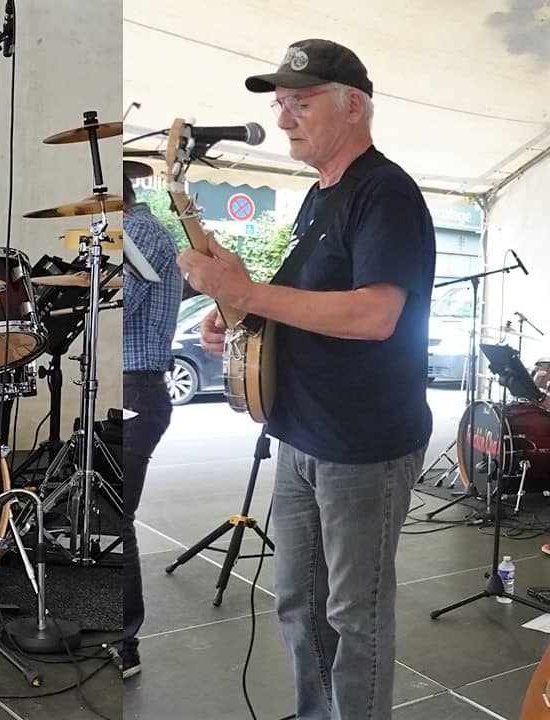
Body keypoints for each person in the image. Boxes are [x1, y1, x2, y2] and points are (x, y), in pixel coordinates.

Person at [178, 39, 435, 719]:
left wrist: (251, 294)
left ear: (354, 107)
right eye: (280, 104)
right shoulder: (317, 199)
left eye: (301, 102)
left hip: (363, 444)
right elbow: (301, 307)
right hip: (300, 434)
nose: (285, 118)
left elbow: (377, 315)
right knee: (298, 601)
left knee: (356, 612)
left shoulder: (386, 192)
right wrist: (236, 320)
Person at [112, 166, 182, 679]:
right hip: (133, 385)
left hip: (137, 386)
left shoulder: (138, 232)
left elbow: (118, 305)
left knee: (117, 514)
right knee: (109, 507)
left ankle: (125, 640)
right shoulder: (136, 230)